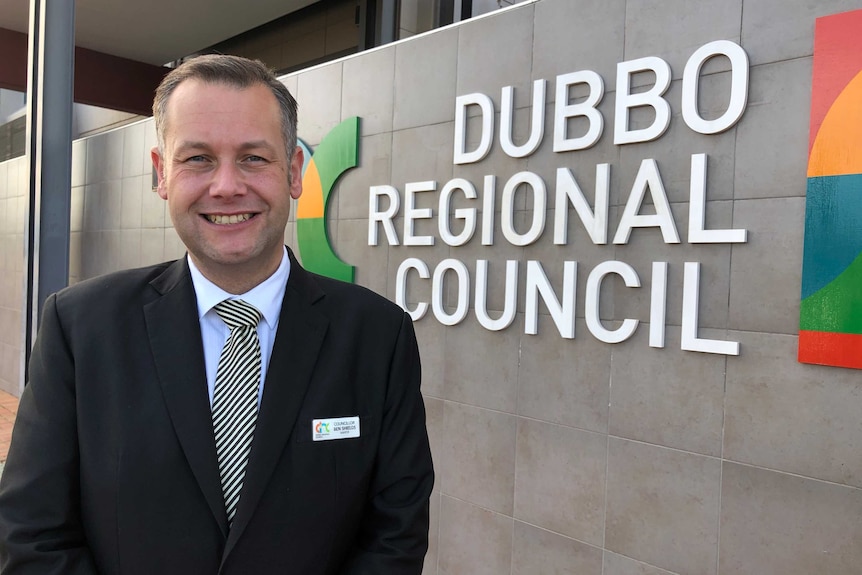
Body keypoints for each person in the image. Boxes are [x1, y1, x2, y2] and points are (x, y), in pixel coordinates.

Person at [0, 54, 433, 574]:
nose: (226, 186)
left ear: (294, 172)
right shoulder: (80, 328)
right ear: (162, 174)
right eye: (198, 158)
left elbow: (395, 537)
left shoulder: (377, 336)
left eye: (253, 158)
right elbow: (31, 537)